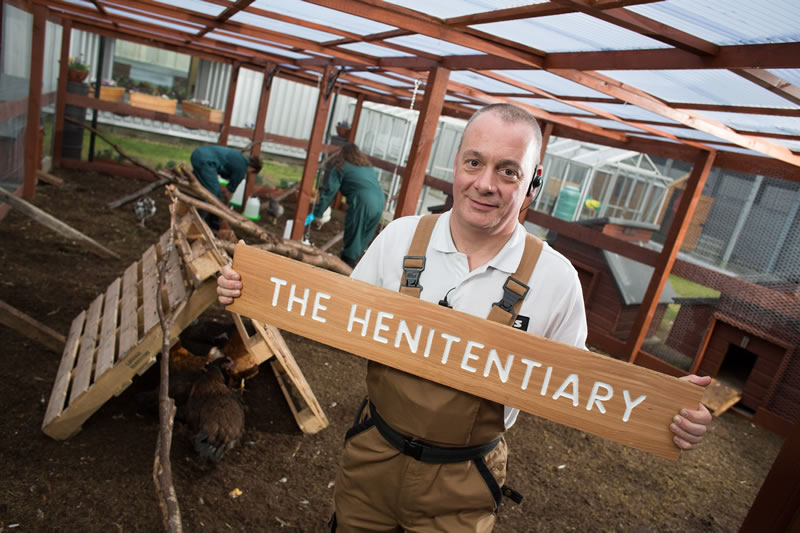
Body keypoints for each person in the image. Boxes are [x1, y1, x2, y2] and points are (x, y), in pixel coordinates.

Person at [217, 103, 712, 532]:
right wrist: (251, 289)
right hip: (373, 453)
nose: (485, 184)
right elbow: (337, 314)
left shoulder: (557, 279)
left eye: (508, 170)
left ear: (533, 183)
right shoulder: (400, 239)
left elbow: (577, 384)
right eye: (474, 162)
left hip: (464, 477)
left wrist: (665, 410)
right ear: (456, 164)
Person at [311, 142, 386, 267]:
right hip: (379, 202)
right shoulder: (367, 167)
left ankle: (346, 269)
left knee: (354, 236)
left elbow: (330, 192)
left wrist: (317, 213)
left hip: (363, 202)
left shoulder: (341, 167)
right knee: (362, 240)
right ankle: (355, 269)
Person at [190, 145, 263, 231]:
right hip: (206, 161)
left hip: (197, 153)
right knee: (213, 194)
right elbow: (228, 192)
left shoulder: (239, 157)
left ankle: (203, 219)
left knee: (204, 191)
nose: (248, 173)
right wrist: (226, 207)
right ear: (252, 168)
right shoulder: (242, 169)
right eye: (251, 172)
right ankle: (201, 223)